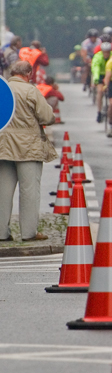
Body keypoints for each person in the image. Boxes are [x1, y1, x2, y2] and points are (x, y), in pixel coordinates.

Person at [0, 61, 57, 242]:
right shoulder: (30, 91)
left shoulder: (4, 90)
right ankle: (29, 233)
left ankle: (1, 233)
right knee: (29, 191)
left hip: (4, 146)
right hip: (28, 148)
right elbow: (47, 117)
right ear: (29, 74)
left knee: (3, 191)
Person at [91, 42, 112, 123]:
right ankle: (99, 112)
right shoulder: (98, 56)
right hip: (101, 74)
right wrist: (96, 79)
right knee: (100, 91)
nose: (106, 54)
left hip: (110, 75)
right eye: (104, 52)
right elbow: (95, 68)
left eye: (108, 52)